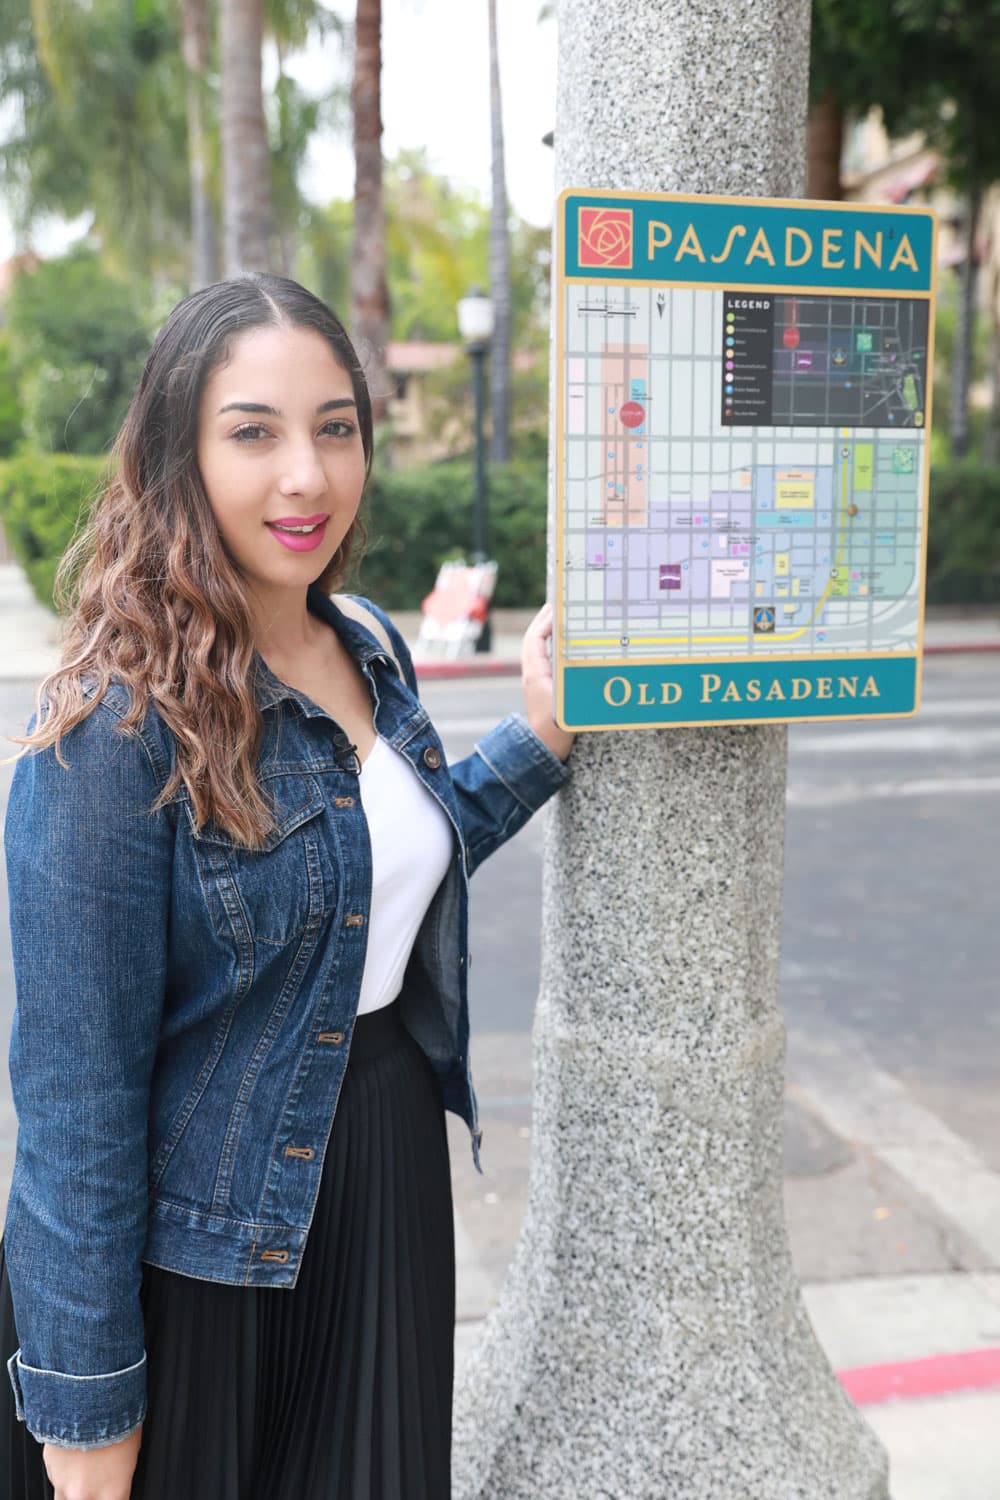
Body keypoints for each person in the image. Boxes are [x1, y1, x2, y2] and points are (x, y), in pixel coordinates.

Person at [0, 273, 575, 1500]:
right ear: (177, 455)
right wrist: (85, 1412)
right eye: (253, 431)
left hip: (382, 1175)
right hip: (203, 1251)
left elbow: (370, 878)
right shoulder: (109, 733)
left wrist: (539, 741)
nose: (305, 475)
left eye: (334, 426)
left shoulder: (364, 639)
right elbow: (72, 1107)